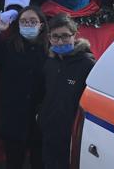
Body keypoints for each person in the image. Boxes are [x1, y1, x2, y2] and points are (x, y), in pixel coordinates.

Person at [0, 6, 49, 169]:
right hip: (13, 119)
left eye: (32, 21)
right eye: (24, 21)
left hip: (40, 121)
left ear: (41, 25)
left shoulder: (50, 49)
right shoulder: (9, 46)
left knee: (40, 162)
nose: (28, 25)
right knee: (13, 162)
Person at [39, 13, 95, 169]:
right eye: (55, 37)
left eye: (65, 36)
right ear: (49, 38)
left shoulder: (87, 65)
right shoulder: (51, 61)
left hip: (71, 135)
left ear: (74, 35)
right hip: (49, 130)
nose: (60, 41)